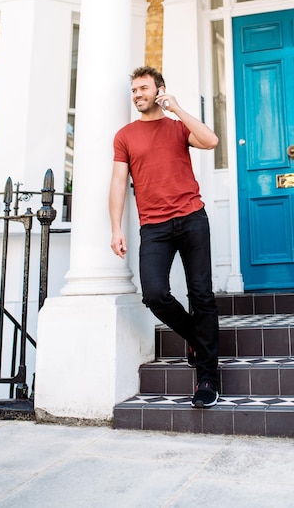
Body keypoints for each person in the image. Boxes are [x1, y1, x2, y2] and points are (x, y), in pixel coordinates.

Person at [109, 66, 220, 408]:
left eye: (143, 88)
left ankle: (207, 378)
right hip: (154, 227)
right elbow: (117, 183)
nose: (137, 95)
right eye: (134, 90)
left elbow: (211, 140)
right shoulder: (125, 135)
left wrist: (179, 109)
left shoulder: (176, 127)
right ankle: (197, 338)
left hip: (190, 218)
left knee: (201, 293)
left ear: (159, 90)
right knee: (155, 293)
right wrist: (115, 228)